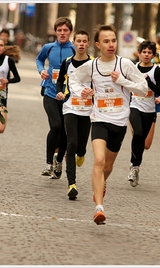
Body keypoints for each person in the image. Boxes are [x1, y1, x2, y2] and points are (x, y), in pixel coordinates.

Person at [68, 24, 148, 224]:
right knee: (99, 160)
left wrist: (123, 81)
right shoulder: (92, 66)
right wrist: (81, 92)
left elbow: (143, 88)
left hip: (119, 122)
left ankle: (101, 185)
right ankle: (99, 208)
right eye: (106, 41)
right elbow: (73, 80)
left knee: (108, 166)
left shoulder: (125, 65)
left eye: (113, 40)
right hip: (99, 119)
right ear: (98, 44)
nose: (111, 44)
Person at [55, 29, 93, 200]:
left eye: (84, 41)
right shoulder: (67, 62)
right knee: (72, 143)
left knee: (81, 146)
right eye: (78, 41)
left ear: (88, 44)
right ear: (74, 43)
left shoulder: (94, 63)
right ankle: (72, 184)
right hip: (70, 107)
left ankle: (82, 152)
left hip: (87, 110)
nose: (81, 44)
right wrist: (60, 92)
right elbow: (60, 81)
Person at [36, 17, 75, 179]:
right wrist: (41, 71)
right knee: (56, 126)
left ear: (70, 32)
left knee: (65, 133)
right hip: (50, 92)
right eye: (59, 30)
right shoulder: (49, 47)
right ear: (55, 31)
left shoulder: (74, 50)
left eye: (65, 30)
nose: (62, 33)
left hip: (66, 95)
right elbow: (39, 60)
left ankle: (59, 160)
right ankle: (48, 163)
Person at [127, 40, 160, 187]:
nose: (146, 55)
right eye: (144, 52)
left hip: (149, 109)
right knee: (137, 133)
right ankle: (133, 165)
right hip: (134, 105)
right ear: (139, 53)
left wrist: (149, 82)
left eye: (149, 53)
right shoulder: (134, 67)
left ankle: (136, 167)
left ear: (153, 55)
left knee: (142, 142)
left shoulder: (157, 71)